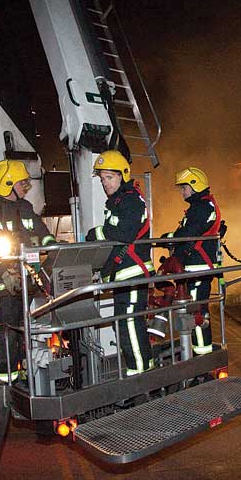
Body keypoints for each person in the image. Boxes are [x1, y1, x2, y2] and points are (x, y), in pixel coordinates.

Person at [0, 159, 55, 383]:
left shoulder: (25, 208)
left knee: (22, 331)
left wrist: (54, 247)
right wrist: (4, 272)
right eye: (21, 183)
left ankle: (21, 376)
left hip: (24, 286)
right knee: (5, 333)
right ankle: (5, 380)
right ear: (7, 184)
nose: (25, 187)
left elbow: (42, 231)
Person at [85, 149, 154, 376]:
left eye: (110, 177)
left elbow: (123, 233)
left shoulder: (132, 200)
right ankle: (140, 372)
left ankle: (141, 377)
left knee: (131, 327)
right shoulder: (119, 201)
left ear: (123, 175)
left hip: (132, 277)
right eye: (103, 179)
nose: (105, 183)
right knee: (126, 327)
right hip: (123, 277)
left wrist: (97, 233)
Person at [162, 166, 222, 356]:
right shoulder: (201, 207)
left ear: (195, 185)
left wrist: (170, 237)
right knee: (193, 310)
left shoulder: (202, 208)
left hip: (198, 269)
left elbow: (188, 234)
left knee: (196, 311)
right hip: (195, 269)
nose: (182, 191)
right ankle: (197, 351)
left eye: (184, 187)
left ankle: (201, 355)